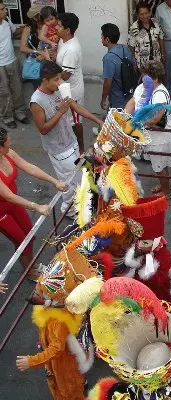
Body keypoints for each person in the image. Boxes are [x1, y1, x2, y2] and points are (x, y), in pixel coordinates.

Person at [16, 246, 98, 400]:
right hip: (62, 358)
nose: (38, 290)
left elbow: (56, 349)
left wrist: (31, 361)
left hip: (64, 365)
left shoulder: (59, 321)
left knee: (69, 391)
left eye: (43, 291)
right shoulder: (58, 305)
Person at [30, 61, 103, 217]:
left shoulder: (59, 90)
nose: (60, 83)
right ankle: (69, 211)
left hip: (71, 141)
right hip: (59, 149)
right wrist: (61, 111)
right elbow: (43, 129)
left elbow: (77, 107)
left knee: (80, 176)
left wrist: (98, 121)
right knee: (68, 182)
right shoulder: (36, 101)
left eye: (59, 78)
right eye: (56, 79)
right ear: (45, 80)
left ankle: (81, 204)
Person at [0, 127, 67, 280]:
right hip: (1, 211)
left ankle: (32, 266)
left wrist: (55, 181)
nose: (10, 145)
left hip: (13, 203)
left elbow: (30, 167)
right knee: (20, 239)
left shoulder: (8, 153)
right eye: (7, 144)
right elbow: (9, 196)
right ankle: (29, 272)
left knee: (29, 234)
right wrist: (37, 206)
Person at [126, 60, 171, 197]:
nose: (142, 78)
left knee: (160, 166)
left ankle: (166, 190)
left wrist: (135, 123)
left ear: (155, 77)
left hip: (161, 137)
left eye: (145, 75)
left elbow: (155, 119)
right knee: (158, 164)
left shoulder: (160, 94)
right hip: (150, 134)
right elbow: (133, 101)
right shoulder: (142, 87)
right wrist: (124, 116)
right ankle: (163, 184)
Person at [122, 196, 171, 304]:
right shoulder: (139, 247)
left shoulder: (164, 255)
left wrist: (149, 266)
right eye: (138, 241)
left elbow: (157, 281)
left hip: (156, 295)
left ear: (156, 241)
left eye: (145, 243)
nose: (138, 245)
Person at [54, 13, 85, 153]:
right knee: (68, 121)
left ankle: (81, 151)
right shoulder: (63, 40)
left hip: (72, 93)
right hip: (64, 91)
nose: (56, 27)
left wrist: (49, 61)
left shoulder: (72, 49)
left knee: (75, 122)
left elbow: (65, 75)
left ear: (67, 30)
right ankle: (72, 147)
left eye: (59, 25)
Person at [0, 0, 29, 129]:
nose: (5, 11)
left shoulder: (7, 21)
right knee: (3, 92)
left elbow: (15, 32)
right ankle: (7, 117)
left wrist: (28, 28)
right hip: (0, 66)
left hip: (12, 61)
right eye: (2, 9)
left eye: (5, 8)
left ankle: (20, 113)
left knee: (17, 88)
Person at [101, 23, 136, 110]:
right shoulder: (125, 48)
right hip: (129, 93)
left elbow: (108, 82)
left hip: (117, 98)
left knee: (116, 121)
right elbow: (134, 66)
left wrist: (103, 99)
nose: (101, 38)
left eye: (102, 36)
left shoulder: (108, 58)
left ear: (107, 39)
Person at [127, 2, 165, 72]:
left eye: (146, 13)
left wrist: (162, 54)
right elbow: (131, 46)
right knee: (144, 82)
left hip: (156, 61)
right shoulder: (134, 27)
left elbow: (161, 38)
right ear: (137, 15)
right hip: (142, 64)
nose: (145, 16)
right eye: (141, 14)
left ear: (150, 12)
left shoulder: (156, 23)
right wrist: (134, 62)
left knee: (156, 81)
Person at [20, 5, 45, 90]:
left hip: (48, 61)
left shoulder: (48, 26)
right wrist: (37, 52)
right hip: (36, 64)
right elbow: (22, 48)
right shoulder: (28, 29)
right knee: (39, 89)